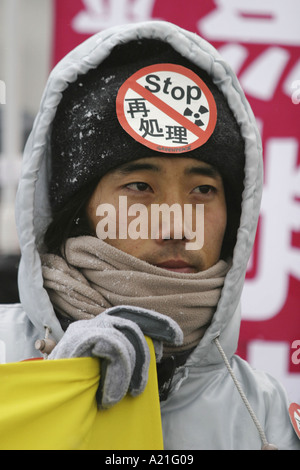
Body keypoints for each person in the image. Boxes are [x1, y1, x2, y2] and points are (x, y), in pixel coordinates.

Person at [0, 21, 299, 450]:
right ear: (78, 211)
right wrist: (46, 400)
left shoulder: (262, 414)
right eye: (140, 187)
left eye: (203, 190)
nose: (178, 225)